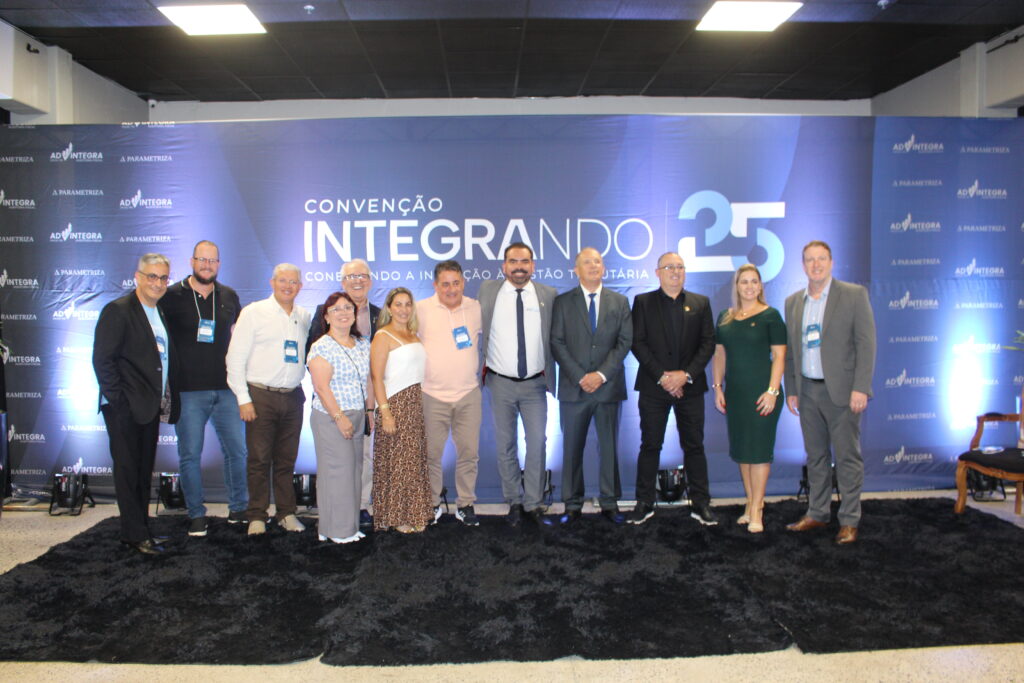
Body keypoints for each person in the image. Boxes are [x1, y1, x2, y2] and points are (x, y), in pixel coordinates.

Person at [784, 240, 876, 545]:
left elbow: (866, 344)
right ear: (803, 266)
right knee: (816, 457)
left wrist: (861, 388)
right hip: (807, 391)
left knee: (847, 458)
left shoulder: (853, 295)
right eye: (810, 260)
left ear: (831, 262)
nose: (816, 265)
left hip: (843, 393)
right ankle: (817, 513)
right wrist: (792, 389)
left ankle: (849, 520)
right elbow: (791, 352)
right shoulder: (793, 302)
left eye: (821, 258)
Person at [92, 253, 180, 555]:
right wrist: (120, 402)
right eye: (152, 276)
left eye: (163, 278)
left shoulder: (158, 311)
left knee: (142, 471)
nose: (158, 283)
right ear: (138, 277)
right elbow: (103, 361)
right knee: (129, 471)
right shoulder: (118, 311)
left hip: (149, 406)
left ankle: (140, 529)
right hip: (125, 408)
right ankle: (134, 534)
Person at [159, 240, 246, 537]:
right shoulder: (171, 296)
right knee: (190, 455)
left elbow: (240, 338)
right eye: (202, 260)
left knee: (237, 452)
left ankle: (238, 509)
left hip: (227, 390)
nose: (207, 265)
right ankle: (196, 514)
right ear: (192, 261)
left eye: (212, 260)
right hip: (188, 391)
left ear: (218, 264)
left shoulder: (229, 296)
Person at [629, 252, 717, 526]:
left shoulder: (701, 303)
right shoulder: (642, 302)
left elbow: (708, 343)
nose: (675, 271)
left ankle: (701, 503)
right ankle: (644, 502)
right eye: (669, 267)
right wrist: (664, 378)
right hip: (654, 387)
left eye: (680, 267)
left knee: (694, 446)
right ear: (658, 273)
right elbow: (637, 343)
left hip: (690, 387)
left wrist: (685, 376)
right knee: (650, 445)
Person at [226, 263, 311, 536]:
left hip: (293, 396)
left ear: (300, 286)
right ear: (272, 283)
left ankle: (286, 513)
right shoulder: (253, 313)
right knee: (259, 460)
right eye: (282, 280)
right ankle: (257, 515)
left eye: (293, 282)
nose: (288, 286)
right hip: (260, 396)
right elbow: (234, 358)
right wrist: (243, 398)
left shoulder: (304, 316)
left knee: (286, 461)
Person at [550, 248, 632, 524]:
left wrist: (601, 375)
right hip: (574, 389)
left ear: (604, 268)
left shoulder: (620, 302)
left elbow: (624, 342)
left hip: (608, 388)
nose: (594, 265)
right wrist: (580, 376)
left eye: (598, 261)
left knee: (608, 448)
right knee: (572, 448)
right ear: (576, 270)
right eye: (587, 262)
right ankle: (572, 504)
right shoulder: (562, 302)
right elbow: (557, 342)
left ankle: (610, 502)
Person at [479, 242, 558, 526]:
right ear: (504, 266)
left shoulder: (548, 294)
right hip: (500, 383)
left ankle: (533, 503)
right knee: (505, 445)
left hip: (535, 384)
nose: (519, 267)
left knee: (537, 443)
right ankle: (513, 501)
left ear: (533, 265)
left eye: (524, 261)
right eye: (513, 261)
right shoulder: (487, 291)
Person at [711, 264, 786, 534]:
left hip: (763, 395)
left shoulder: (771, 316)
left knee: (759, 453)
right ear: (737, 286)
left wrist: (772, 391)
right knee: (743, 452)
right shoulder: (725, 317)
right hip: (736, 396)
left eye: (754, 281)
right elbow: (719, 354)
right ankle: (751, 502)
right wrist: (718, 387)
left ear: (761, 286)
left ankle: (757, 510)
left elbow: (779, 356)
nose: (750, 286)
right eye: (744, 282)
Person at [306, 259, 381, 530]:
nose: (357, 281)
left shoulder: (378, 316)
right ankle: (335, 525)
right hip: (333, 410)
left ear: (370, 281)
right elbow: (316, 370)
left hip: (362, 408)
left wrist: (371, 409)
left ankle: (357, 512)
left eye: (362, 276)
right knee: (337, 469)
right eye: (351, 276)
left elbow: (373, 371)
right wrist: (337, 413)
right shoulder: (322, 327)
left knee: (360, 464)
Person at [416, 260, 483, 526]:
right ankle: (432, 503)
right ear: (435, 285)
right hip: (432, 395)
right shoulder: (421, 310)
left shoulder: (476, 308)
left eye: (456, 283)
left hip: (468, 395)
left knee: (469, 453)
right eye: (445, 284)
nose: (451, 289)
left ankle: (465, 504)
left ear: (463, 283)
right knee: (431, 455)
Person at [370, 287, 433, 533]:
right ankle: (397, 517)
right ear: (389, 308)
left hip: (414, 403)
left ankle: (415, 512)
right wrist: (385, 412)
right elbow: (376, 377)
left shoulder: (413, 335)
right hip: (394, 404)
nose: (403, 309)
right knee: (397, 463)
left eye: (408, 304)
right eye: (398, 304)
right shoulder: (383, 336)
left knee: (413, 461)